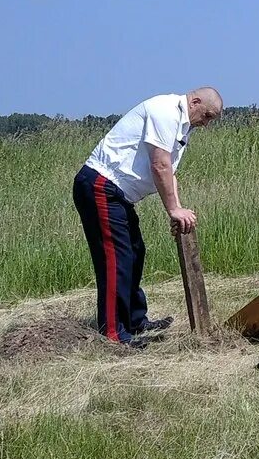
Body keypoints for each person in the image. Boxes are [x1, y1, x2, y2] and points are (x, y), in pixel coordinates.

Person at [73, 87, 224, 346]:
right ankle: (113, 335)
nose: (207, 124)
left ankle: (134, 320)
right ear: (195, 101)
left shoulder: (182, 126)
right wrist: (173, 209)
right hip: (100, 186)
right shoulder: (165, 111)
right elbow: (159, 165)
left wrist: (177, 208)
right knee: (116, 260)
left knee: (135, 251)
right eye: (208, 116)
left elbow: (170, 172)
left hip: (117, 195)